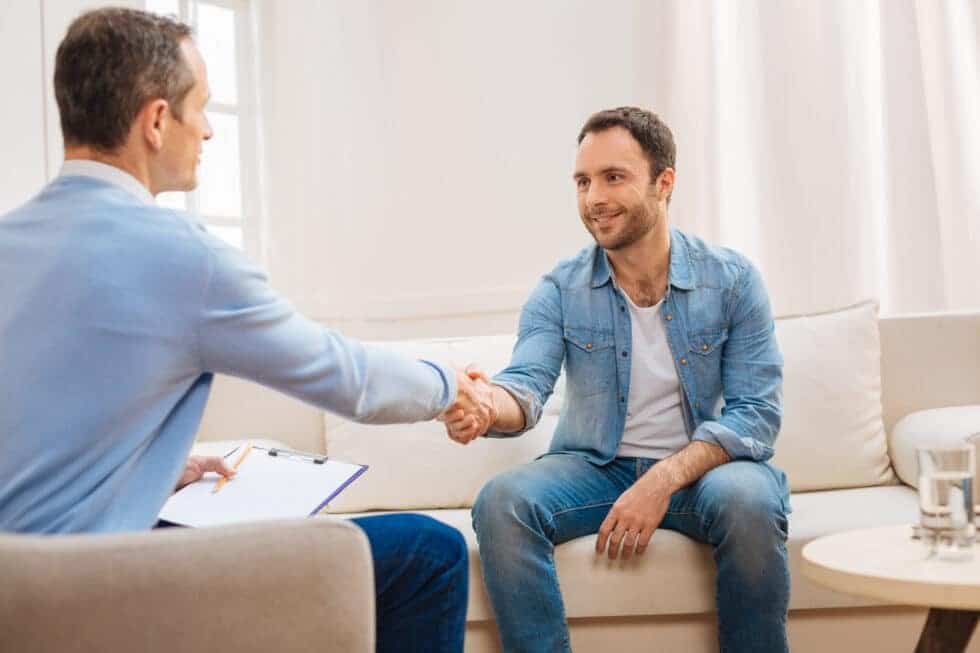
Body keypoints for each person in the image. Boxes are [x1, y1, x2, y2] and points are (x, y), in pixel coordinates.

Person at [0, 9, 494, 652]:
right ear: (155, 122)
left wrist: (154, 469)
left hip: (16, 596)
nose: (207, 130)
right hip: (97, 594)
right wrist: (449, 384)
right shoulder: (181, 256)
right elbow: (348, 379)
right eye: (198, 108)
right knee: (430, 552)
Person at [441, 107, 791, 652]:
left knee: (750, 502)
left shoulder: (733, 280)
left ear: (664, 182)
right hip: (592, 469)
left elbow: (756, 416)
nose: (593, 198)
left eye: (613, 177)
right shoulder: (559, 288)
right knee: (502, 501)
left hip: (705, 473)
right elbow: (526, 387)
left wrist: (660, 481)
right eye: (582, 181)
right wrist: (487, 405)